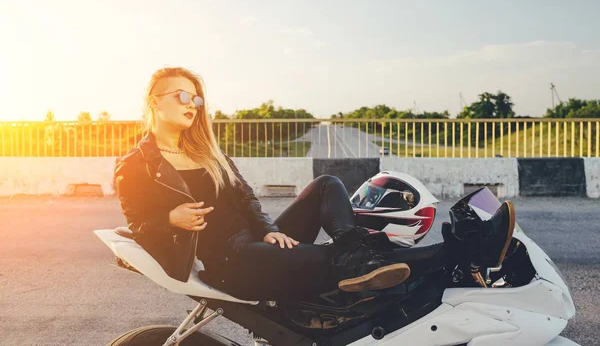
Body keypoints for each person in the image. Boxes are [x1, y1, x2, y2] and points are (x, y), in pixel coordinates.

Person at [114, 67, 515, 301]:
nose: (192, 105)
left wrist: (271, 231)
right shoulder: (136, 165)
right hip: (230, 264)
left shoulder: (207, 152)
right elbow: (137, 225)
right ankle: (464, 252)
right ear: (154, 100)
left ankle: (357, 253)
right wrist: (170, 218)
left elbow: (246, 200)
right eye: (183, 95)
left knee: (325, 184)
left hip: (258, 243)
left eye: (197, 99)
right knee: (334, 261)